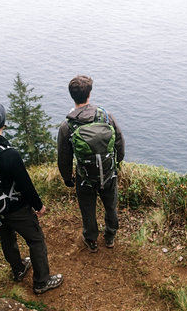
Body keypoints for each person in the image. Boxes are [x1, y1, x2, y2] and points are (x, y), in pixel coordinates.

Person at [0, 102, 63, 294]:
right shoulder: (8, 153)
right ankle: (42, 282)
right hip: (15, 208)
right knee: (35, 239)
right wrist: (38, 206)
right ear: (3, 122)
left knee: (7, 237)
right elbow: (24, 184)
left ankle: (18, 269)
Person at [57, 75, 125, 252]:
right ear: (89, 94)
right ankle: (110, 237)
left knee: (88, 209)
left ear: (72, 96)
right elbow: (119, 142)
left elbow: (64, 157)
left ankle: (91, 239)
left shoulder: (67, 126)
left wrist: (67, 178)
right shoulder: (106, 116)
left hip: (84, 176)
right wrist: (117, 162)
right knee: (110, 206)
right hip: (109, 173)